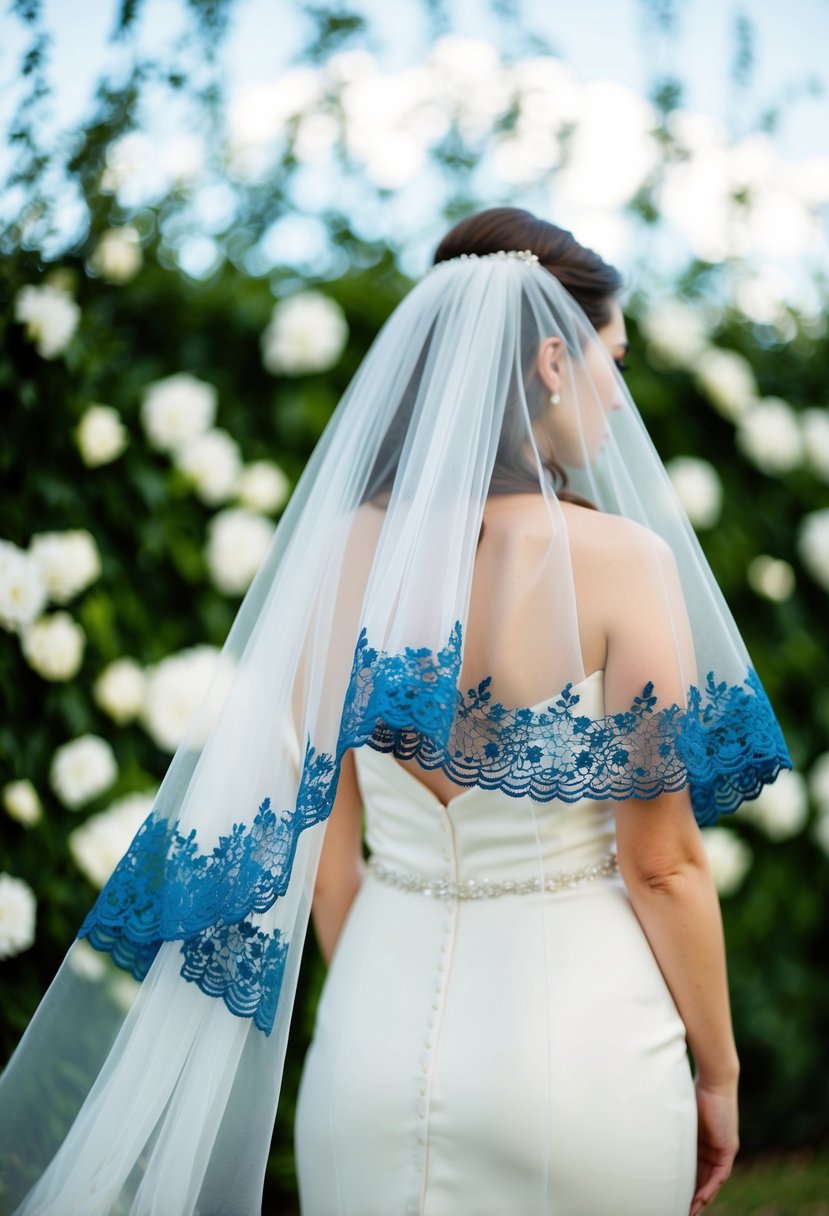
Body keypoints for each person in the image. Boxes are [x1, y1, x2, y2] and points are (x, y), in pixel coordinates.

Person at [0, 207, 790, 1216]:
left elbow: (326, 841)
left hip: (369, 1053)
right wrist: (716, 1075)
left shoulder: (338, 559)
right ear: (553, 358)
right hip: (580, 1053)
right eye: (613, 360)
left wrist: (380, 977)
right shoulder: (624, 565)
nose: (616, 397)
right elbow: (662, 861)